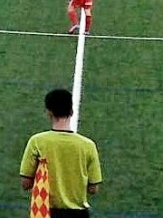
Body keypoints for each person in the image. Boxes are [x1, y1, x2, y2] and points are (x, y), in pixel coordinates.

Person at [19, 88, 102, 217]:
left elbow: (26, 183)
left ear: (49, 112)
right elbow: (93, 189)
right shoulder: (88, 145)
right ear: (72, 111)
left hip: (46, 212)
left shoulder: (37, 142)